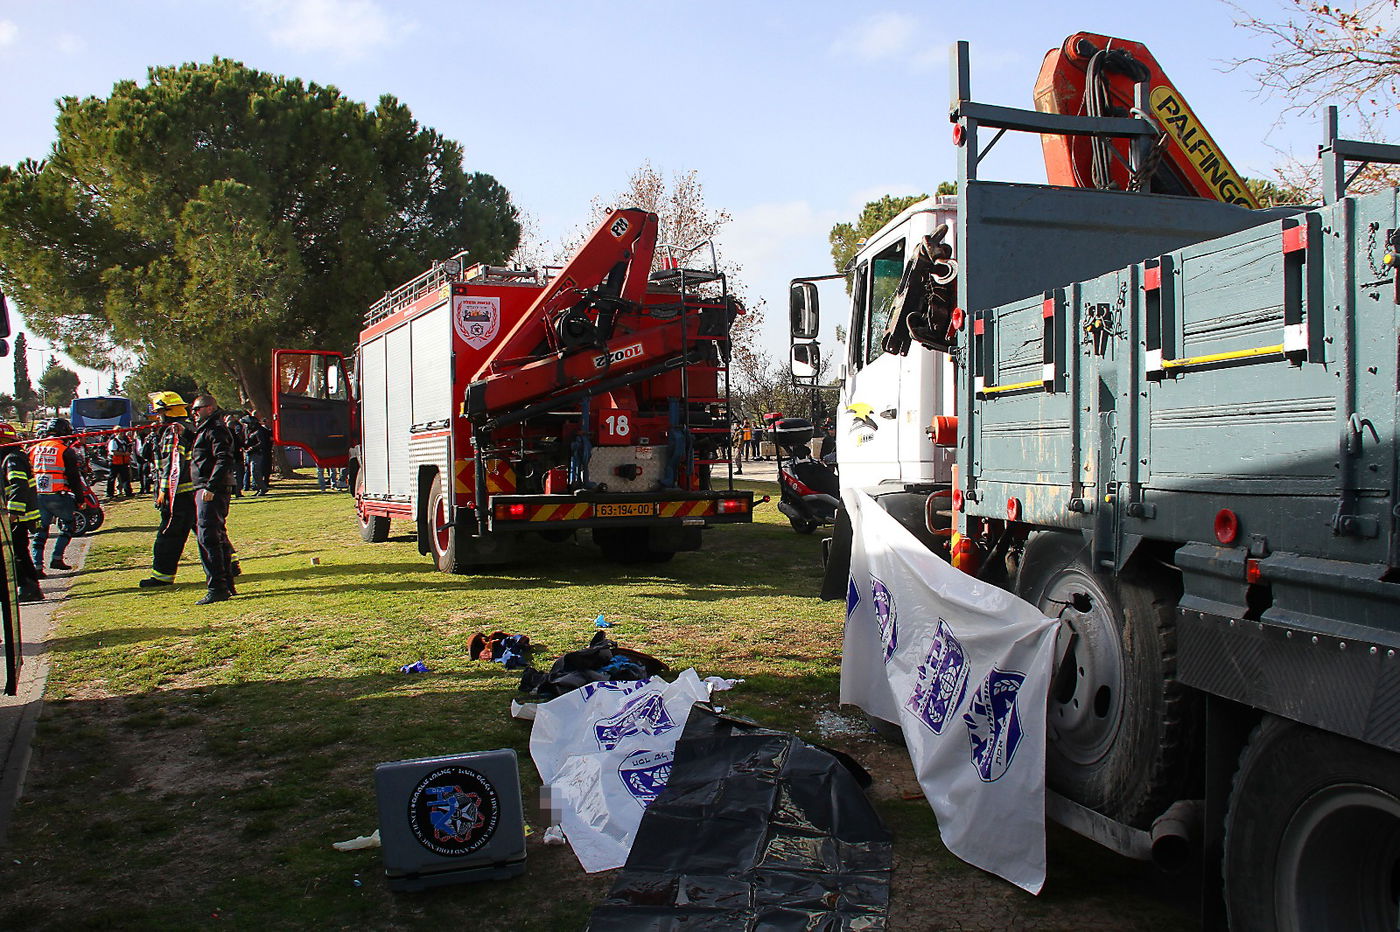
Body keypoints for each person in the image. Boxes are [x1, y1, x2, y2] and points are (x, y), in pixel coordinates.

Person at [137, 392, 196, 589]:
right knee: (207, 531)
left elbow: (171, 464)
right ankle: (229, 564)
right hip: (190, 492)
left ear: (167, 412)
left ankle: (161, 576)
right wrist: (153, 436)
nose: (156, 416)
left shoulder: (174, 432)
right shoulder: (180, 428)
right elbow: (145, 456)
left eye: (159, 412)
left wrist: (163, 492)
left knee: (168, 535)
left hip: (178, 493)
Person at [190, 394, 237, 604]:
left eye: (196, 409)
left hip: (210, 489)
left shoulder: (215, 429)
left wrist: (211, 486)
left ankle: (217, 586)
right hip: (206, 486)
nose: (194, 414)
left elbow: (223, 458)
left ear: (208, 408)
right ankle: (225, 583)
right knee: (215, 535)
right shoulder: (206, 429)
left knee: (208, 535)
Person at [28, 418, 85, 572]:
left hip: (38, 496)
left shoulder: (34, 448)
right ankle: (57, 557)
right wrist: (80, 498)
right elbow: (74, 477)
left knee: (40, 531)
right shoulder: (65, 450)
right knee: (68, 525)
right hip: (58, 496)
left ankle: (37, 566)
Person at [0, 425, 43, 601]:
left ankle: (28, 588)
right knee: (18, 552)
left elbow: (19, 485)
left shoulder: (12, 458)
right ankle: (28, 588)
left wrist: (12, 512)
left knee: (17, 554)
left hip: (19, 516)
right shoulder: (12, 456)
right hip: (19, 515)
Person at [242, 413, 272, 496]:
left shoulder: (258, 432)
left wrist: (253, 448)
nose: (246, 426)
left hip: (257, 454)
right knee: (253, 472)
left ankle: (262, 488)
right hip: (250, 453)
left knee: (255, 471)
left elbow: (262, 443)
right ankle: (260, 488)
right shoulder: (248, 431)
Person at [224, 413, 246, 497]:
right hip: (236, 457)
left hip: (228, 458)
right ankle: (237, 491)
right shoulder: (233, 435)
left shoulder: (224, 434)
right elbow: (238, 445)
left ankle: (231, 491)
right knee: (238, 475)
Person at [106, 431, 134, 498]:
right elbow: (114, 452)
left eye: (123, 433)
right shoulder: (113, 441)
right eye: (120, 433)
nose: (122, 435)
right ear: (116, 433)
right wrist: (125, 454)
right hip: (114, 463)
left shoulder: (123, 442)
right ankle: (110, 493)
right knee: (112, 478)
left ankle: (128, 492)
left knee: (125, 478)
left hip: (123, 463)